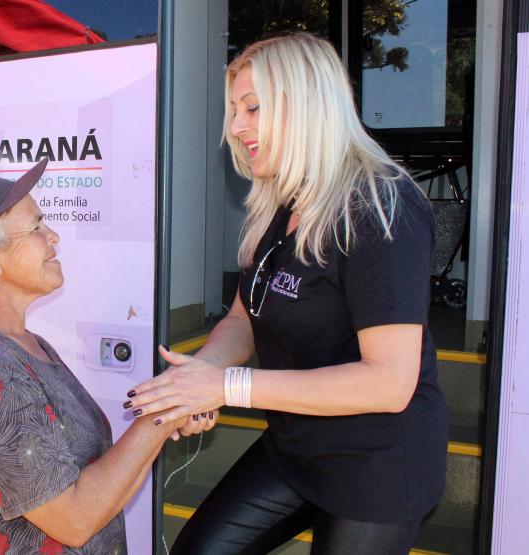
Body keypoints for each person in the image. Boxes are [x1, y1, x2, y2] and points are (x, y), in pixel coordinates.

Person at [126, 33, 449, 554]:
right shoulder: (282, 201)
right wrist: (201, 376)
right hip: (296, 448)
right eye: (235, 110)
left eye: (252, 108)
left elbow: (389, 383)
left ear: (306, 107)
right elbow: (243, 317)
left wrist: (228, 387)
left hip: (378, 465)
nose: (235, 127)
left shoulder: (379, 208)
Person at [0, 158, 203, 554]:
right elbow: (74, 519)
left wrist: (169, 409)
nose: (52, 236)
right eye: (36, 227)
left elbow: (97, 477)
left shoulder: (22, 343)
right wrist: (163, 414)